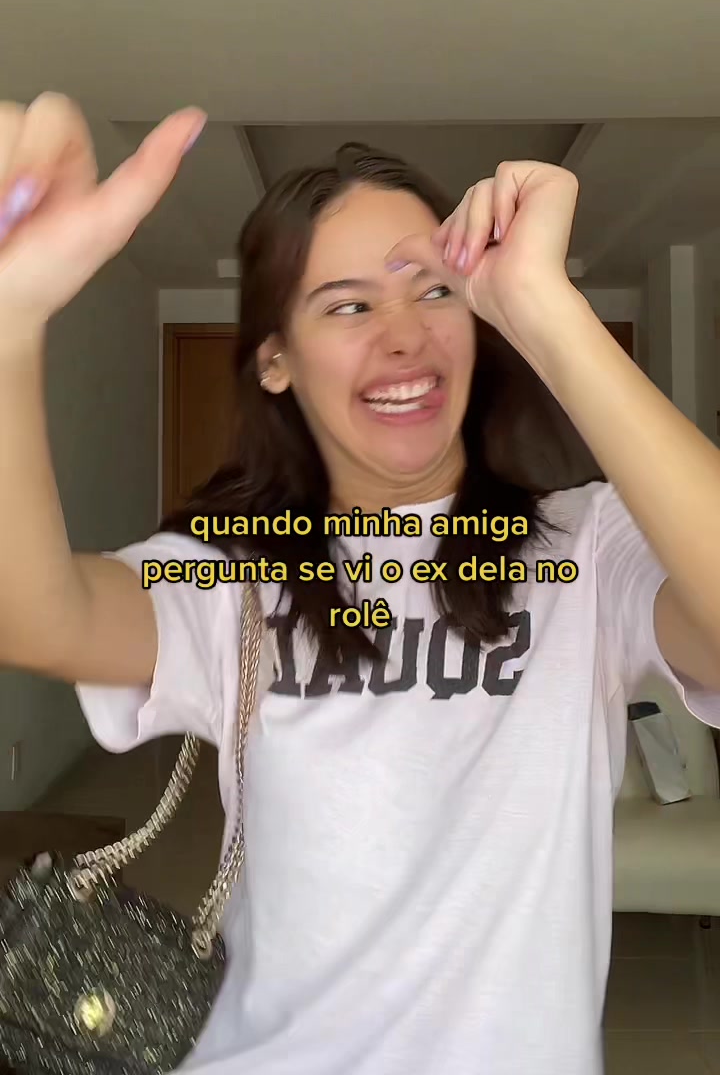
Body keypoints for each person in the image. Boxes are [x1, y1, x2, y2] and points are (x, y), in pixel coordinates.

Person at [1, 92, 719, 1075]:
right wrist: (11, 322)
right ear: (275, 361)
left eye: (435, 292)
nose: (404, 336)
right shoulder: (234, 577)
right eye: (348, 304)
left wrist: (549, 311)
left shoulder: (585, 548)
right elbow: (37, 617)